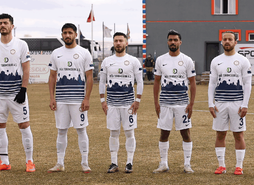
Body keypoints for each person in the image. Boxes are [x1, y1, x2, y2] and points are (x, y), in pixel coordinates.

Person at [0, 13, 34, 172]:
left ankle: (29, 161)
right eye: (0, 23)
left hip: (16, 94)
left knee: (24, 125)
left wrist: (23, 89)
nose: (2, 26)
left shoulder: (21, 44)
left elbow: (26, 69)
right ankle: (4, 161)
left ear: (12, 26)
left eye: (5, 23)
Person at [46, 23, 94, 173]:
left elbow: (89, 77)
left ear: (75, 35)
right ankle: (60, 163)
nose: (67, 35)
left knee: (81, 130)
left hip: (78, 100)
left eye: (70, 33)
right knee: (61, 131)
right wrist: (51, 98)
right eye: (65, 33)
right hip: (61, 99)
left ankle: (84, 163)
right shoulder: (56, 53)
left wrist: (86, 98)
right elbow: (52, 76)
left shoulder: (84, 53)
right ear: (62, 35)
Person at [208, 31, 252, 175]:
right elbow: (212, 83)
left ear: (235, 42)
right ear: (221, 42)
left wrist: (245, 104)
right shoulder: (216, 61)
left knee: (238, 134)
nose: (227, 41)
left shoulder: (243, 60)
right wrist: (210, 103)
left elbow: (247, 84)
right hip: (220, 104)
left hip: (237, 103)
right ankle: (221, 166)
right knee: (220, 134)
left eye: (230, 39)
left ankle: (239, 166)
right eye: (224, 39)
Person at [153, 30, 196, 173]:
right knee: (164, 133)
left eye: (175, 40)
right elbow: (156, 82)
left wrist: (191, 104)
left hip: (182, 104)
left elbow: (193, 83)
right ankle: (163, 163)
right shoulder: (160, 60)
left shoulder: (187, 60)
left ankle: (187, 164)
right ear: (167, 42)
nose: (173, 42)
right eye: (170, 40)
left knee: (185, 132)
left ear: (180, 42)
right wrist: (156, 103)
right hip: (165, 103)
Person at [100, 32, 144, 173]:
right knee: (113, 133)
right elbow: (102, 82)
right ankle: (114, 163)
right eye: (116, 41)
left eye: (121, 41)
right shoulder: (107, 61)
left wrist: (137, 100)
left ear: (126, 43)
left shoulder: (133, 61)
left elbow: (140, 82)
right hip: (112, 104)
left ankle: (129, 163)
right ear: (113, 43)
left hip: (128, 104)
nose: (118, 43)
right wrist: (102, 100)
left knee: (129, 133)